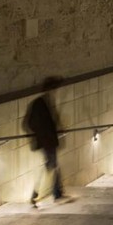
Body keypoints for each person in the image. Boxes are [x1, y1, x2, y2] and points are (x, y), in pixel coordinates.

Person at [24, 76, 67, 206]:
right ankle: (38, 193)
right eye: (54, 88)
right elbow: (30, 123)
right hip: (46, 141)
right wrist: (42, 135)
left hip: (49, 141)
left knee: (52, 165)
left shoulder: (47, 101)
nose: (55, 91)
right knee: (51, 165)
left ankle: (57, 192)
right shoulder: (40, 103)